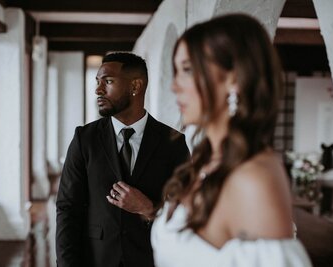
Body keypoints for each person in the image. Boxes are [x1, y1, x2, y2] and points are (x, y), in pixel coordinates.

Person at [151, 14, 312, 267]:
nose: (174, 86)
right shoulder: (205, 161)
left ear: (233, 78)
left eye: (188, 70)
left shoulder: (253, 178)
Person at [56, 52, 190, 267]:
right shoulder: (84, 139)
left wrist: (148, 209)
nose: (98, 90)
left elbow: (187, 212)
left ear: (135, 86)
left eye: (108, 81)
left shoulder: (173, 143)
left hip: (152, 260)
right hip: (96, 260)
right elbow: (68, 209)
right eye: (97, 81)